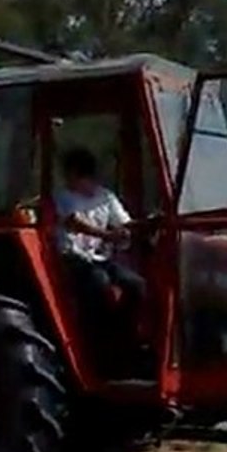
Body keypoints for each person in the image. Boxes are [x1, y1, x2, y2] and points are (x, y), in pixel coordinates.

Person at [55, 147, 147, 374]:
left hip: (99, 259)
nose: (72, 180)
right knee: (99, 284)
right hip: (73, 258)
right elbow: (75, 223)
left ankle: (125, 340)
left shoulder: (106, 197)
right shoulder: (63, 197)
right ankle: (96, 351)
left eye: (75, 175)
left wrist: (131, 230)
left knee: (137, 285)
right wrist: (107, 235)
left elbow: (124, 223)